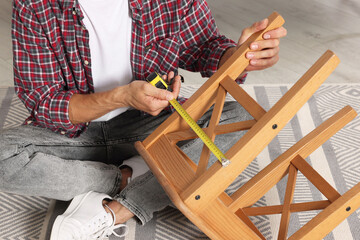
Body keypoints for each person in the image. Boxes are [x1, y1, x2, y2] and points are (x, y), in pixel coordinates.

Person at [1, 0, 287, 239]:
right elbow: (44, 100)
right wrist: (122, 96)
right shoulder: (35, 4)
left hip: (152, 126)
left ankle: (119, 209)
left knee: (248, 119)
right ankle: (130, 177)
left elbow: (205, 47)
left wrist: (240, 55)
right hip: (74, 134)